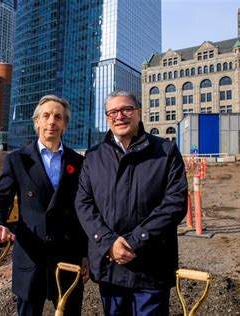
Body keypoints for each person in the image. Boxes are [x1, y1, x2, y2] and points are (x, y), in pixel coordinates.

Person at [75, 91, 188, 315]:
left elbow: (175, 203)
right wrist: (108, 243)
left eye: (126, 109)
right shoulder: (94, 156)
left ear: (139, 112)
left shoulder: (165, 152)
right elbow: (84, 203)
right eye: (113, 112)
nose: (120, 116)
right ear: (107, 117)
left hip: (151, 264)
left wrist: (136, 241)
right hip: (111, 265)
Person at [0, 95, 89, 316]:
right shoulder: (18, 160)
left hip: (68, 256)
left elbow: (83, 210)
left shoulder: (78, 162)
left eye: (58, 117)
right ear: (38, 122)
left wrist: (85, 253)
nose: (52, 121)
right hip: (32, 255)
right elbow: (0, 198)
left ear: (64, 124)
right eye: (46, 116)